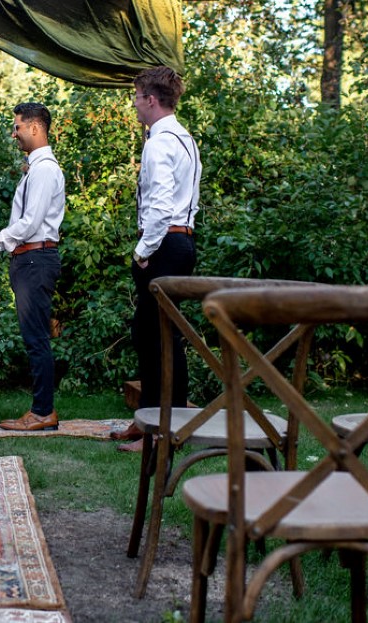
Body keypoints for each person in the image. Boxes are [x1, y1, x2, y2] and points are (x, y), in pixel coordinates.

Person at [113, 66, 202, 452]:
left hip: (164, 245)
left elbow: (162, 206)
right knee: (154, 335)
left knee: (157, 340)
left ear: (150, 99)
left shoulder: (160, 142)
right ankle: (149, 422)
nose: (134, 105)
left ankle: (161, 432)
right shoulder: (185, 139)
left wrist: (142, 252)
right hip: (180, 242)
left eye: (136, 98)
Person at [0, 102, 65, 432]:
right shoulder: (36, 169)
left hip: (36, 259)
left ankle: (43, 412)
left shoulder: (44, 170)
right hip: (29, 258)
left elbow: (30, 223)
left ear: (34, 128)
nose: (13, 133)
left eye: (17, 127)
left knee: (36, 338)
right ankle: (42, 409)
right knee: (34, 336)